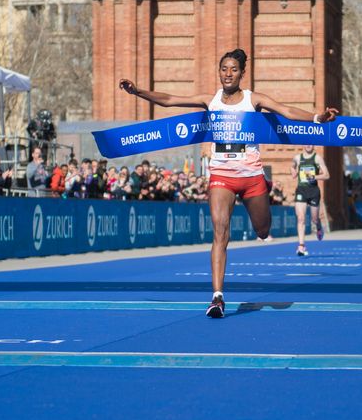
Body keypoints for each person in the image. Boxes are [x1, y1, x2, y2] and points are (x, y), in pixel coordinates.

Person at [120, 48, 339, 318]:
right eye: (224, 69)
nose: (228, 73)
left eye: (233, 69)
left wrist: (318, 118)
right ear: (219, 71)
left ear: (242, 73)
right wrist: (137, 91)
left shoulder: (253, 99)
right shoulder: (210, 100)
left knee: (262, 229)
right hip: (221, 174)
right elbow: (169, 99)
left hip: (252, 177)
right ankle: (217, 297)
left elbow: (286, 111)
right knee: (220, 233)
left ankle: (258, 228)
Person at [290, 145, 329, 256]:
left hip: (313, 192)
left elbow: (326, 175)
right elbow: (292, 166)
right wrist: (293, 171)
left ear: (313, 146)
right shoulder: (298, 157)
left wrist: (314, 177)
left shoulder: (317, 158)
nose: (308, 146)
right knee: (301, 218)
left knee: (314, 219)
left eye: (310, 144)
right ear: (303, 145)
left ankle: (318, 225)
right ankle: (301, 246)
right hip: (301, 191)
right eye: (306, 144)